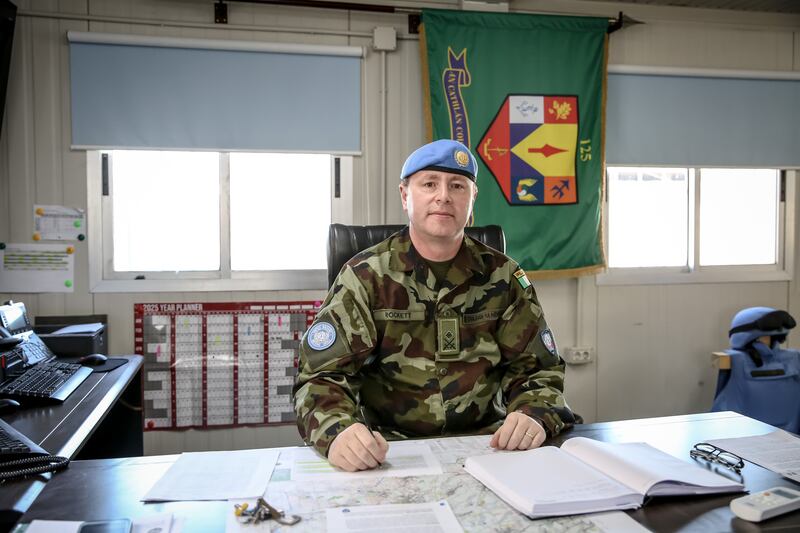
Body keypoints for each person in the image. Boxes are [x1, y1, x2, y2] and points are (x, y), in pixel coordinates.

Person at [293, 139, 576, 472]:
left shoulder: (504, 277)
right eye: (429, 184)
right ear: (404, 195)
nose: (443, 195)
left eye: (457, 185)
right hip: (390, 452)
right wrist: (337, 432)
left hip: (491, 448)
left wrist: (533, 414)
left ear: (472, 199)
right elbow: (320, 377)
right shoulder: (365, 277)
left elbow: (538, 369)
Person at [712, 306, 800, 433]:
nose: (769, 342)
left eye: (773, 337)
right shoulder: (735, 360)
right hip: (743, 437)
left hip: (790, 438)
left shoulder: (793, 358)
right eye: (764, 337)